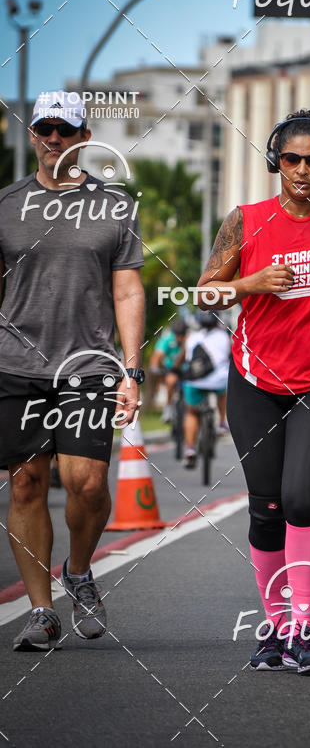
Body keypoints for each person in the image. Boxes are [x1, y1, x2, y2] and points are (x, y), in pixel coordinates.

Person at [193, 109, 310, 674]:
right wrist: (247, 284)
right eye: (293, 159)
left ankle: (304, 630)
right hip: (255, 383)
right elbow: (204, 294)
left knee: (302, 499)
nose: (303, 170)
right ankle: (275, 631)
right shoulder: (245, 221)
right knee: (267, 509)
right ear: (276, 160)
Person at [0, 91, 145, 651]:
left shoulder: (114, 205)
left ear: (84, 137)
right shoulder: (7, 204)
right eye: (44, 129)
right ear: (32, 133)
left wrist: (131, 371)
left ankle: (79, 570)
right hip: (15, 365)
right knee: (27, 482)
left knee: (86, 483)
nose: (54, 138)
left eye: (66, 130)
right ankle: (40, 611)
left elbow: (128, 289)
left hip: (88, 365)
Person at [181, 312, 231, 469]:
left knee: (191, 413)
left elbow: (187, 359)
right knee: (223, 393)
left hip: (195, 381)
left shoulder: (192, 337)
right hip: (219, 381)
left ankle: (190, 449)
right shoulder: (224, 337)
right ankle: (222, 423)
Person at [150, 319, 188, 422]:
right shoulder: (167, 339)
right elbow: (157, 355)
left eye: (182, 334)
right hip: (171, 369)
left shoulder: (189, 339)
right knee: (171, 381)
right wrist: (154, 368)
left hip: (187, 370)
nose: (179, 337)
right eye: (177, 334)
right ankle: (168, 408)